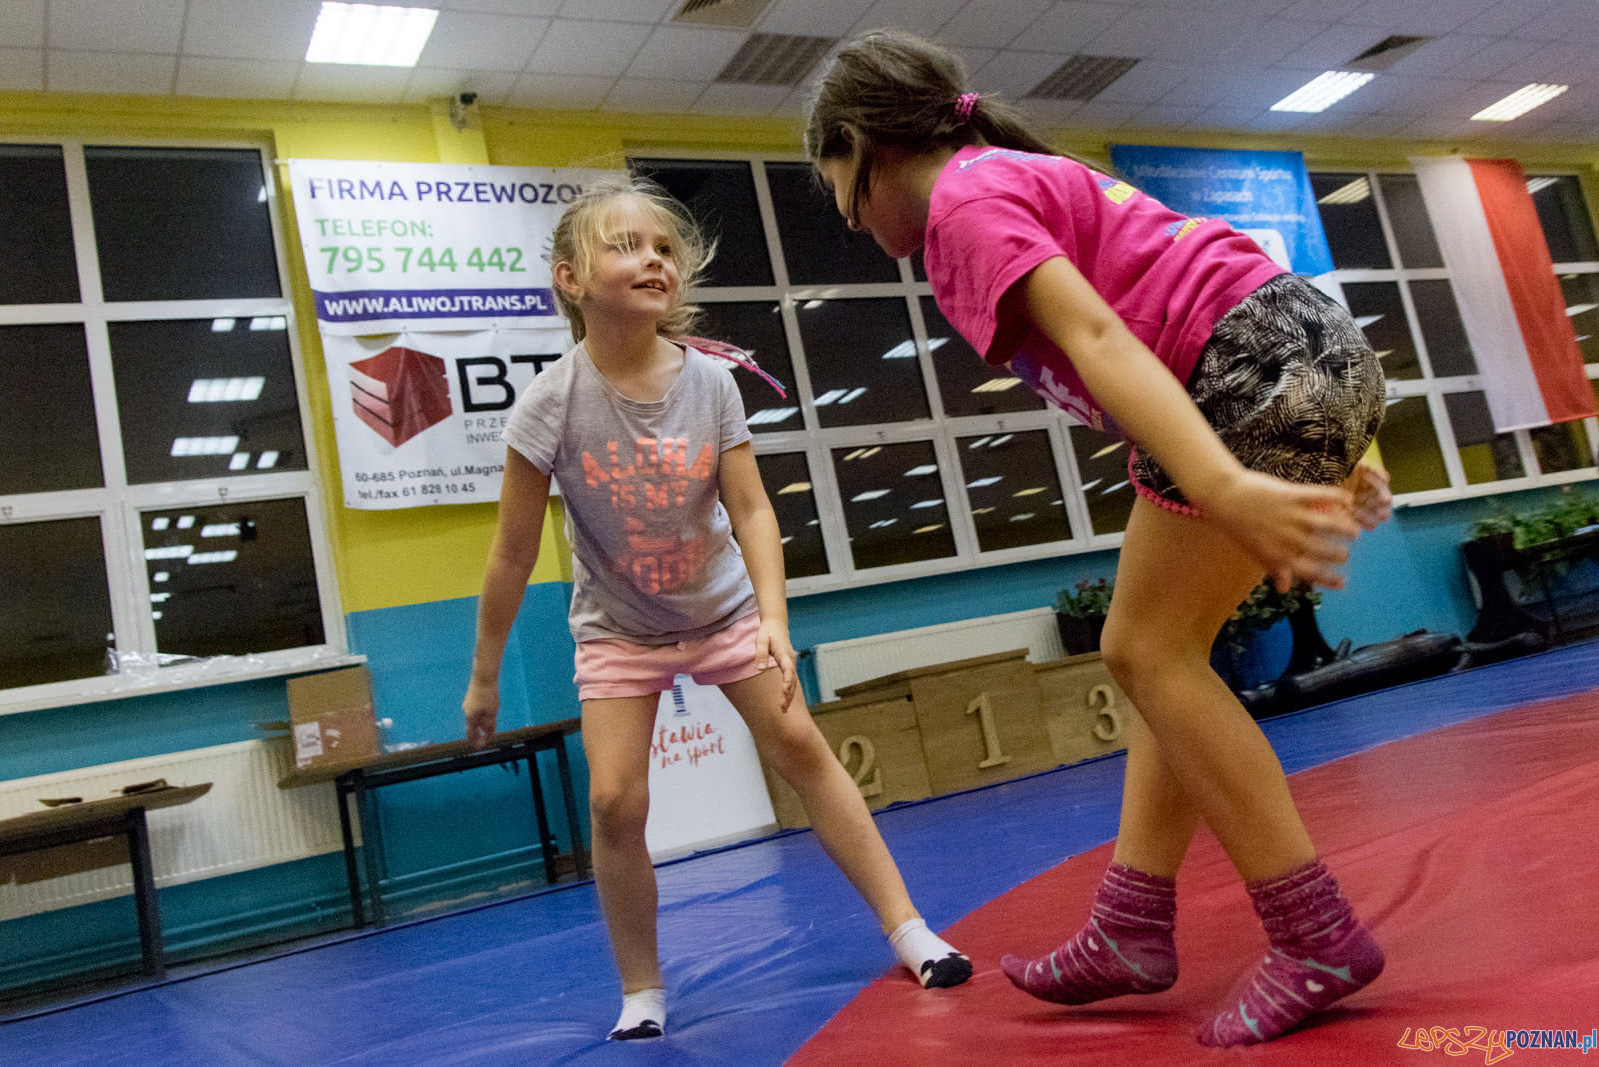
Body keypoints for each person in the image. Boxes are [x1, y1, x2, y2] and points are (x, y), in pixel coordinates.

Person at [805, 30, 1394, 1048]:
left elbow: (1099, 334)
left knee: (1144, 650)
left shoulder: (962, 206)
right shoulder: (1012, 174)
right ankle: (1130, 921)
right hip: (1303, 344)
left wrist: (1222, 478)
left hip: (1243, 369)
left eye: (841, 195)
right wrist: (1345, 441)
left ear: (860, 146)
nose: (851, 221)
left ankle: (1315, 934)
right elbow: (1209, 275)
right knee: (1161, 653)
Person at [461, 174, 971, 1043]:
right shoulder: (552, 401)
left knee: (801, 745)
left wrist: (772, 618)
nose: (654, 259)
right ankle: (641, 989)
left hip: (724, 609)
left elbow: (754, 510)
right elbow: (511, 553)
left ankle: (908, 927)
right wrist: (484, 677)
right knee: (615, 800)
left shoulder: (710, 383)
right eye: (626, 245)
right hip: (620, 627)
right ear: (570, 279)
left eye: (665, 247)